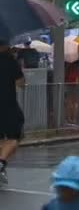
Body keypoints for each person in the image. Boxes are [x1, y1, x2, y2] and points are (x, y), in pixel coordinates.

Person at [0, 40, 25, 185]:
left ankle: (2, 168)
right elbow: (20, 82)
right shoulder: (9, 60)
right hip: (7, 105)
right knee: (14, 137)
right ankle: (1, 163)